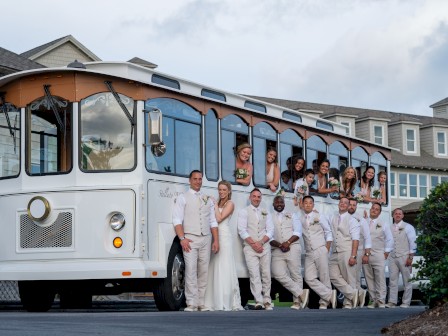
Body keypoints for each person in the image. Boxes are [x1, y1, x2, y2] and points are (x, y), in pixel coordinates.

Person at [172, 170, 219, 312]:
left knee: (203, 270)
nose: (198, 181)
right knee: (191, 270)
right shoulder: (182, 198)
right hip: (190, 238)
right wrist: (182, 238)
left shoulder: (207, 199)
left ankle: (201, 302)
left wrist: (216, 240)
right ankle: (191, 302)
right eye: (195, 179)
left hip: (206, 238)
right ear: (190, 180)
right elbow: (177, 220)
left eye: (200, 179)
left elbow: (213, 221)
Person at [204, 181, 243, 311]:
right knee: (214, 266)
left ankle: (225, 300)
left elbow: (219, 218)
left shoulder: (230, 204)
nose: (221, 192)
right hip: (214, 235)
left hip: (224, 236)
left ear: (229, 191)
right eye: (220, 189)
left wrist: (214, 205)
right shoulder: (219, 203)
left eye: (224, 190)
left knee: (224, 266)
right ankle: (212, 300)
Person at [269, 196, 309, 310]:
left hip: (293, 247)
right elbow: (269, 236)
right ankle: (301, 293)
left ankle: (297, 302)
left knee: (295, 274)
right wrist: (280, 245)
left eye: (281, 202)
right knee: (277, 273)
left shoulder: (293, 215)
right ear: (273, 204)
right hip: (277, 249)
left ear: (284, 204)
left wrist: (287, 243)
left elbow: (298, 231)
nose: (279, 204)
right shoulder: (269, 217)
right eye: (277, 202)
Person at [237, 188, 274, 310]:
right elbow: (242, 230)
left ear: (261, 198)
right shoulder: (244, 212)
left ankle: (267, 299)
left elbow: (270, 230)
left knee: (266, 273)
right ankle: (258, 300)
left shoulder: (266, 211)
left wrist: (261, 242)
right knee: (254, 274)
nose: (256, 199)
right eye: (254, 196)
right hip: (249, 248)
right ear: (250, 197)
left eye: (258, 197)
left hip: (265, 247)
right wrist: (254, 244)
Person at [299, 196, 337, 309]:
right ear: (302, 204)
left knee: (324, 276)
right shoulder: (299, 218)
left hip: (321, 249)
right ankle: (330, 295)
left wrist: (327, 248)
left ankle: (324, 302)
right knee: (309, 278)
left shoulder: (319, 216)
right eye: (305, 203)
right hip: (309, 251)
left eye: (310, 203)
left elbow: (328, 232)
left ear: (313, 205)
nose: (308, 205)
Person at [329, 196, 361, 309]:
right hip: (334, 251)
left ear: (348, 206)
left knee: (349, 277)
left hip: (347, 250)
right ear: (338, 204)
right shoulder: (333, 217)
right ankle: (353, 294)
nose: (342, 204)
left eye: (345, 203)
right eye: (341, 202)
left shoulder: (352, 220)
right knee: (332, 275)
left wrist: (353, 255)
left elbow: (356, 239)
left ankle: (348, 302)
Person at [363, 203, 393, 309]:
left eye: (377, 209)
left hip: (379, 254)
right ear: (370, 209)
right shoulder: (364, 221)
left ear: (379, 212)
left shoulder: (383, 224)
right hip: (365, 254)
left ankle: (381, 300)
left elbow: (389, 239)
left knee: (380, 278)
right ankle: (372, 300)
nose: (374, 210)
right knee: (368, 277)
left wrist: (386, 252)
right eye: (373, 208)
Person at [386, 208, 417, 308]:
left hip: (404, 256)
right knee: (392, 280)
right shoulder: (389, 227)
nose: (398, 215)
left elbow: (413, 242)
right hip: (392, 256)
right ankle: (392, 301)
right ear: (393, 215)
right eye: (396, 214)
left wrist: (410, 257)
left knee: (406, 280)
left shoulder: (408, 227)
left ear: (403, 216)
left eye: (400, 214)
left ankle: (406, 302)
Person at [347, 198, 371, 307]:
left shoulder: (361, 220)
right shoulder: (342, 217)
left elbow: (367, 237)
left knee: (355, 277)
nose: (352, 207)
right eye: (350, 204)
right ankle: (359, 294)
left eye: (354, 205)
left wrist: (366, 254)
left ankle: (356, 298)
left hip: (358, 251)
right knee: (347, 277)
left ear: (356, 207)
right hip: (345, 250)